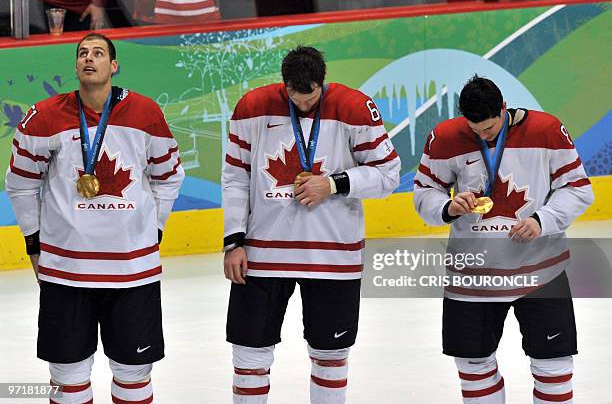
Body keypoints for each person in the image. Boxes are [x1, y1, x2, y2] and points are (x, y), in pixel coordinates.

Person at [6, 33, 184, 404]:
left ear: (114, 66)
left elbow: (169, 176)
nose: (90, 58)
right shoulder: (44, 116)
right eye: (83, 53)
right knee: (67, 375)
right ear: (75, 65)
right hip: (67, 270)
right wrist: (34, 244)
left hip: (133, 272)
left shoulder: (146, 113)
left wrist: (154, 230)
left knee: (134, 374)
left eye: (99, 53)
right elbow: (20, 184)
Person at [222, 46, 400, 404]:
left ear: (323, 82)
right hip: (262, 255)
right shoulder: (252, 108)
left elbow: (389, 174)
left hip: (333, 257)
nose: (303, 105)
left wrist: (333, 183)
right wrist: (233, 241)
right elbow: (234, 176)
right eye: (294, 96)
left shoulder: (355, 108)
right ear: (284, 84)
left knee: (330, 356)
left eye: (311, 97)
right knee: (248, 353)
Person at [413, 76, 594, 403]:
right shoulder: (444, 137)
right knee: (473, 366)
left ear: (504, 109)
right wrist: (447, 206)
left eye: (489, 130)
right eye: (475, 130)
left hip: (541, 272)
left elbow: (578, 189)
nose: (482, 136)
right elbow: (425, 192)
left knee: (553, 366)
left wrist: (542, 220)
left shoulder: (548, 130)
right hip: (472, 276)